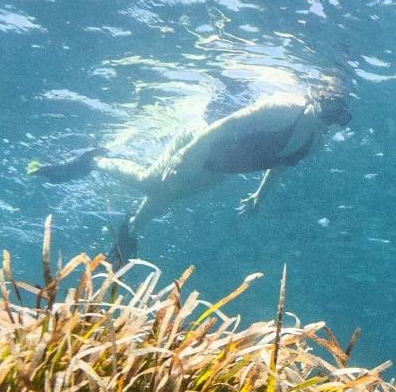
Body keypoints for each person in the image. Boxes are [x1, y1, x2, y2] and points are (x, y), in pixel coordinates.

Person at [29, 62, 352, 260]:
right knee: (151, 183)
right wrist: (188, 155)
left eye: (339, 114)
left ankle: (128, 231)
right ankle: (95, 160)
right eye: (330, 105)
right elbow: (226, 125)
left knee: (168, 197)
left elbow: (279, 165)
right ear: (316, 96)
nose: (331, 116)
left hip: (223, 167)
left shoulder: (314, 143)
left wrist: (258, 196)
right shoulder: (284, 107)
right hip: (202, 140)